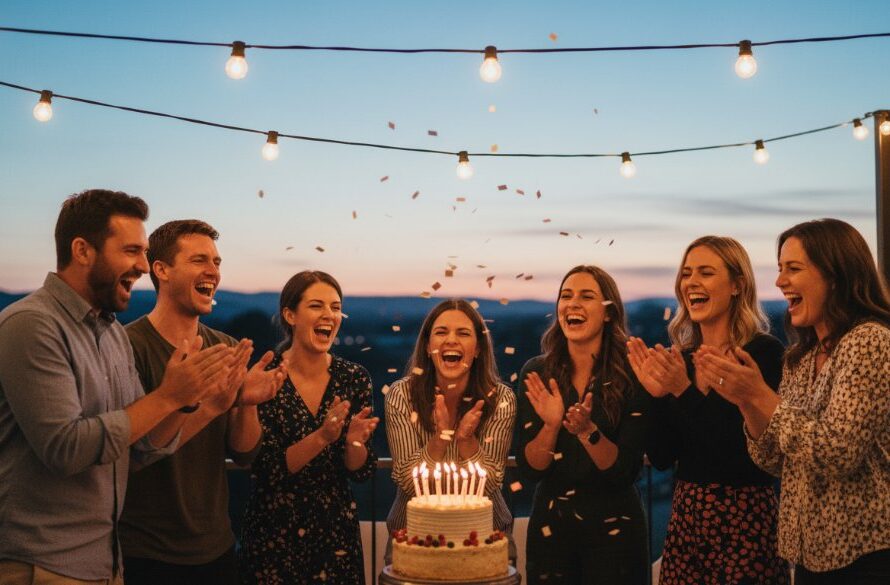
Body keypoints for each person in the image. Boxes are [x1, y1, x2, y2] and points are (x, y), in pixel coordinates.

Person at [0, 189, 235, 584]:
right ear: (82, 250)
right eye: (130, 251)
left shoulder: (110, 333)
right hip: (42, 565)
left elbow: (140, 448)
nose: (143, 265)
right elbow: (66, 448)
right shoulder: (31, 325)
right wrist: (169, 396)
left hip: (105, 562)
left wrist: (198, 402)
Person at [698, 218, 890, 584]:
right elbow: (772, 460)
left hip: (866, 557)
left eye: (794, 269)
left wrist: (759, 394)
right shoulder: (799, 359)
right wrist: (746, 403)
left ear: (836, 276)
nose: (780, 281)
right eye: (780, 268)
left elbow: (839, 453)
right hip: (808, 556)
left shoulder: (869, 342)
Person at [120, 220, 287, 585]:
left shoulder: (226, 347)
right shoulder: (127, 347)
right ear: (161, 269)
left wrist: (246, 401)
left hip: (216, 547)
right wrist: (206, 403)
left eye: (216, 261)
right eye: (199, 260)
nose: (213, 271)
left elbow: (244, 453)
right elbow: (132, 455)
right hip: (145, 552)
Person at [627, 236, 789, 584]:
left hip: (746, 519)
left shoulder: (761, 354)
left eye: (705, 272)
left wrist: (682, 392)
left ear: (737, 285)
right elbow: (660, 456)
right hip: (688, 519)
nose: (691, 283)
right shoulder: (681, 361)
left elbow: (740, 455)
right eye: (686, 274)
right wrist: (656, 395)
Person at [240, 271, 378, 584]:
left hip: (336, 533)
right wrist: (322, 437)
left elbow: (361, 471)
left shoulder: (354, 378)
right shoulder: (265, 377)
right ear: (290, 315)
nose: (329, 314)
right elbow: (266, 468)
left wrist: (354, 444)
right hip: (273, 533)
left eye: (335, 307)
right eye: (317, 306)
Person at [516, 265, 650, 585]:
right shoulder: (536, 373)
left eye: (586, 296)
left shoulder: (633, 373)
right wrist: (550, 426)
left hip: (616, 532)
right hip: (552, 530)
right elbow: (530, 470)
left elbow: (623, 472)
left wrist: (587, 431)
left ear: (608, 313)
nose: (572, 303)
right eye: (566, 296)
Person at [385, 299, 517, 558]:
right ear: (427, 345)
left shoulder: (501, 398)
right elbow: (407, 481)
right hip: (412, 535)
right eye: (441, 332)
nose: (451, 340)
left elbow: (491, 481)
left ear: (478, 348)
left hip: (486, 534)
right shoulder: (401, 394)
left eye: (463, 333)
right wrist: (440, 438)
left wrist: (466, 440)